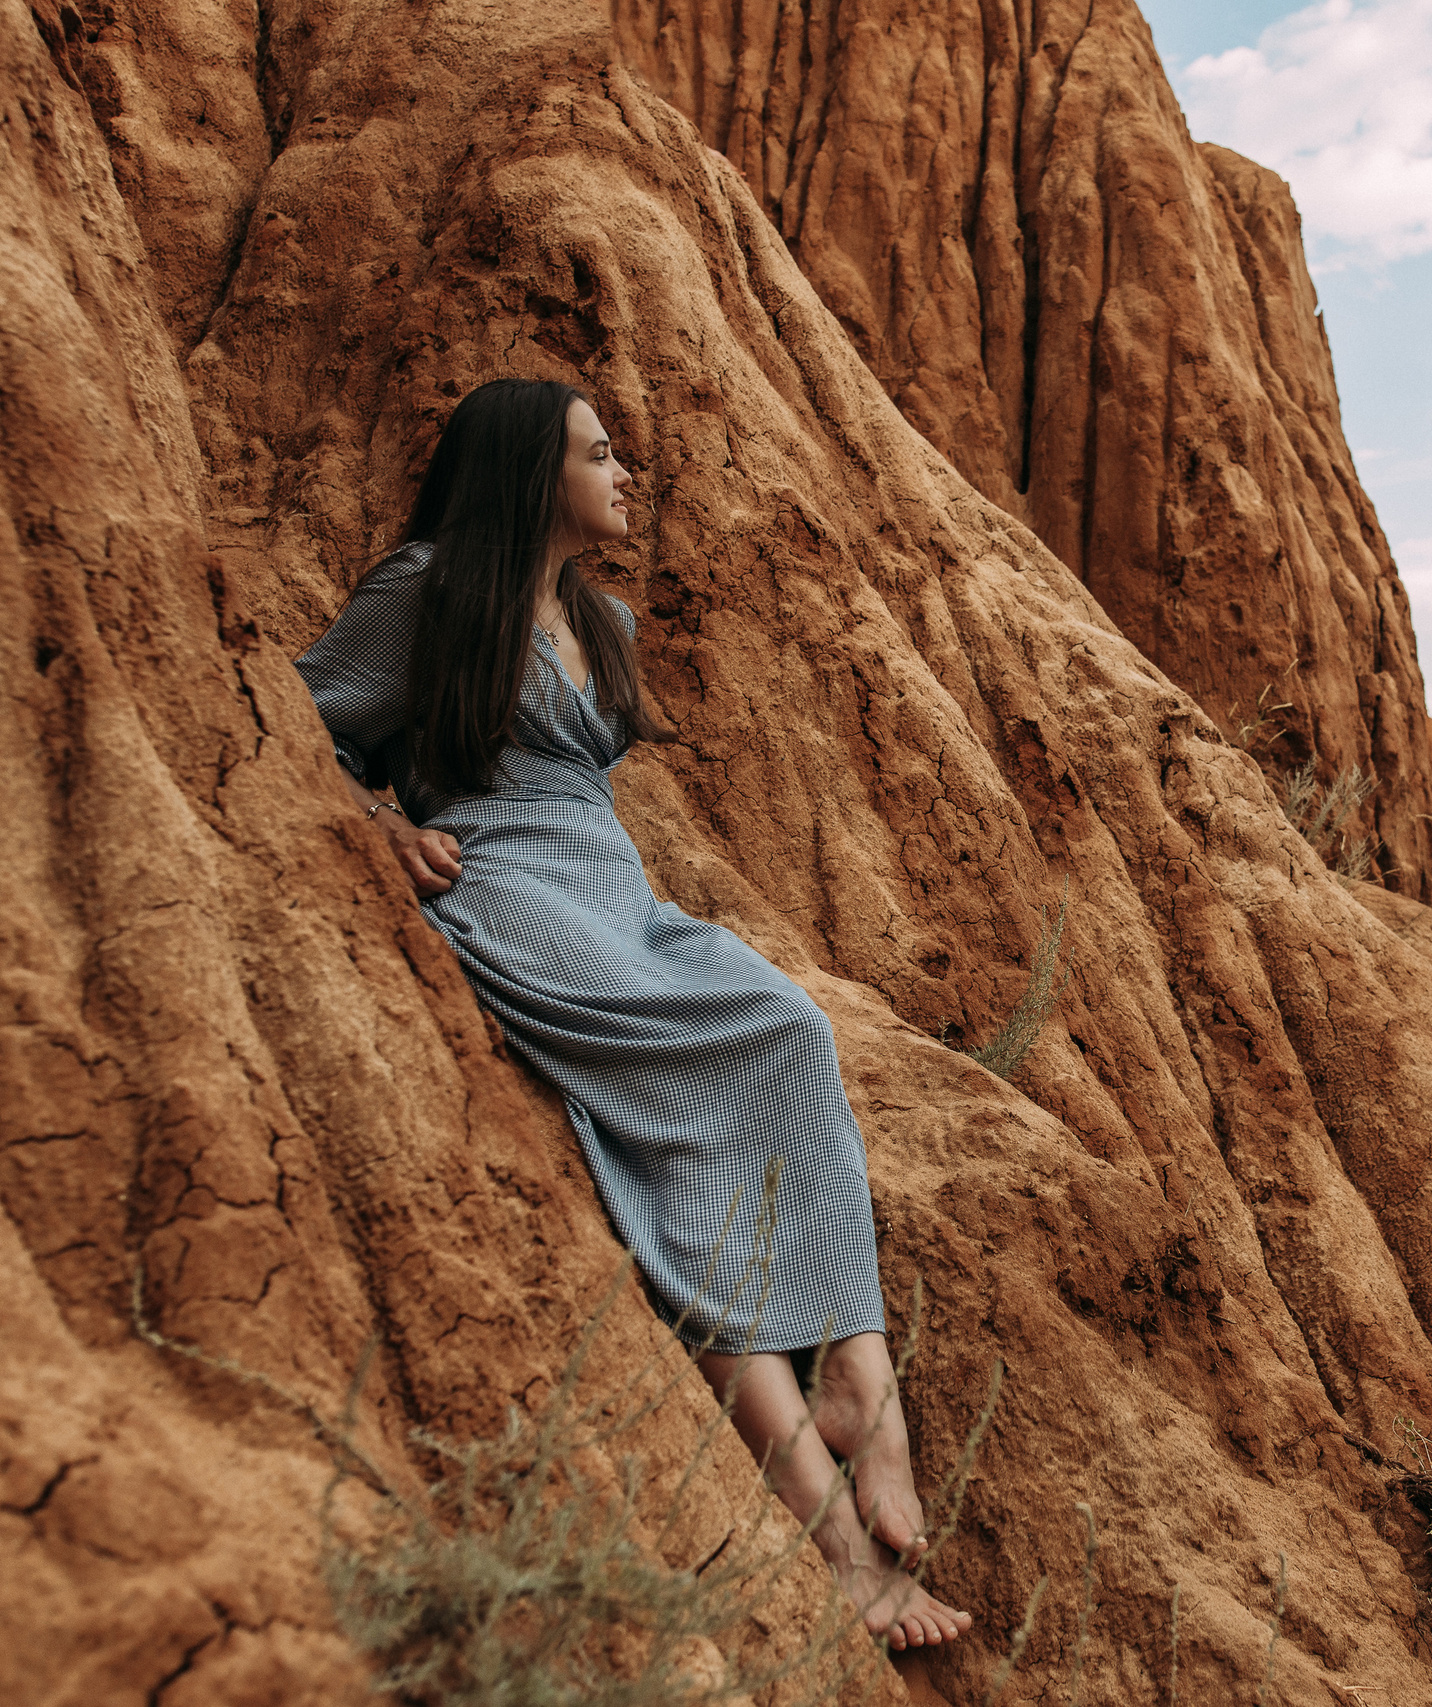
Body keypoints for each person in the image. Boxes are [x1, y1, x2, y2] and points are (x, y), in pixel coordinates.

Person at [295, 377, 971, 1650]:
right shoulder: (429, 588)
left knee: (789, 1029)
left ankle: (858, 1389)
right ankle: (839, 1537)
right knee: (683, 1145)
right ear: (525, 474)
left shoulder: (600, 621)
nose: (623, 472)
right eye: (597, 453)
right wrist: (378, 824)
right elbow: (303, 716)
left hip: (616, 887)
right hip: (500, 878)